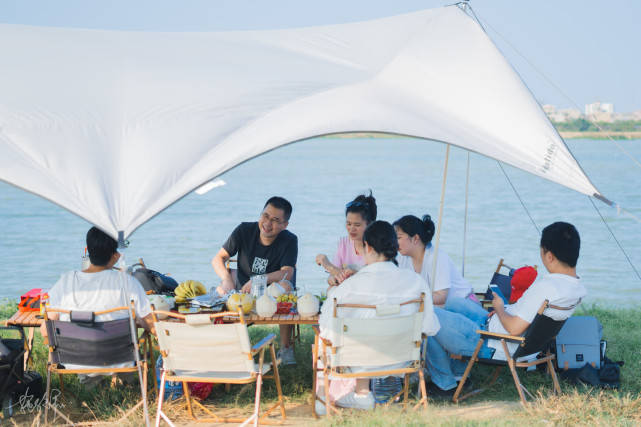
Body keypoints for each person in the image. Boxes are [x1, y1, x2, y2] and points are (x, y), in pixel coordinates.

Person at [425, 222, 587, 396]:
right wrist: (504, 310)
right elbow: (525, 319)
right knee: (454, 303)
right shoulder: (577, 288)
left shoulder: (546, 288)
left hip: (492, 342)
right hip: (508, 336)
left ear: (549, 256)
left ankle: (445, 384)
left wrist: (500, 309)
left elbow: (514, 328)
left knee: (426, 316)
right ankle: (459, 375)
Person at [317, 221, 440, 412]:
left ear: (368, 246)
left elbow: (325, 328)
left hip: (359, 360)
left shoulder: (349, 287)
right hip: (402, 360)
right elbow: (430, 327)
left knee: (324, 337)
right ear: (395, 247)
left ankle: (326, 397)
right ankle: (363, 395)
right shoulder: (416, 283)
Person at [40, 227, 154, 384]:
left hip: (74, 360)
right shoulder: (128, 282)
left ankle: (91, 386)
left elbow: (46, 330)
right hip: (119, 360)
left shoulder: (65, 282)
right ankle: (126, 386)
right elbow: (151, 325)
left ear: (87, 250)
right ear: (115, 256)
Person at [211, 196, 298, 364]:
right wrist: (227, 279)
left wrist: (258, 280)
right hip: (243, 292)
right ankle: (225, 345)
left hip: (271, 294)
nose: (267, 223)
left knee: (287, 286)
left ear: (284, 225)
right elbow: (218, 258)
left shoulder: (289, 239)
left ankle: (285, 348)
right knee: (220, 289)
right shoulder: (244, 230)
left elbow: (287, 273)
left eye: (275, 220)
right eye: (265, 216)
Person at [394, 214, 476, 306]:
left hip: (466, 305)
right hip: (440, 308)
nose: (395, 242)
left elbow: (441, 297)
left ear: (415, 238)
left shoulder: (436, 257)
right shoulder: (402, 257)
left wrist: (411, 297)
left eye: (398, 238)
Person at [315, 192, 377, 286]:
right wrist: (333, 279)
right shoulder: (344, 243)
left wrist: (328, 265)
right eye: (348, 224)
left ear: (370, 224)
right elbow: (332, 277)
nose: (351, 229)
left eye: (357, 225)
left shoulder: (378, 247)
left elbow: (371, 282)